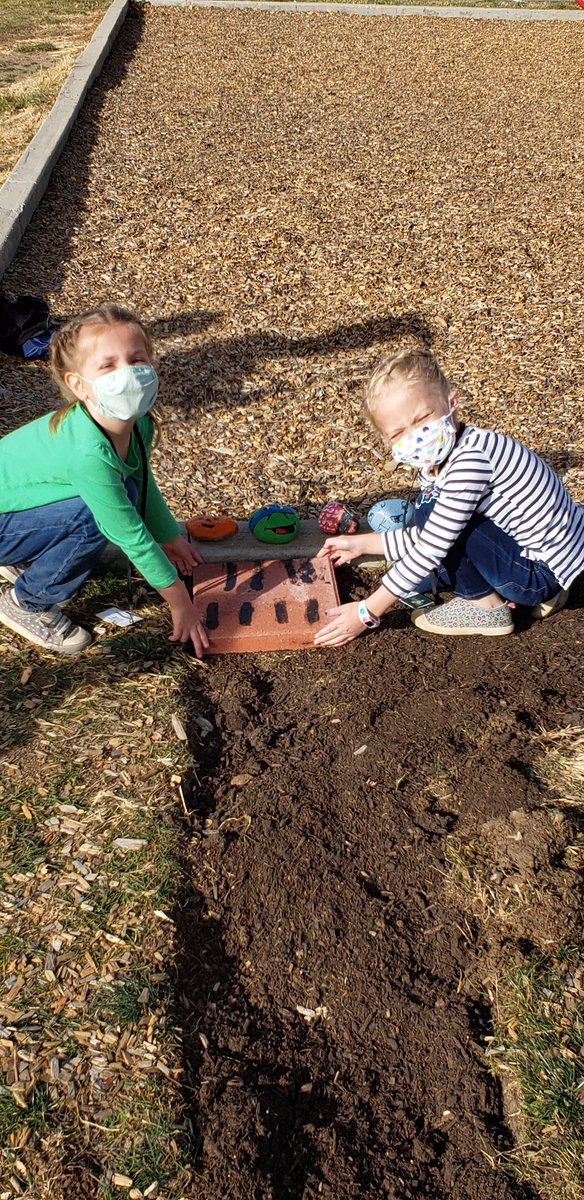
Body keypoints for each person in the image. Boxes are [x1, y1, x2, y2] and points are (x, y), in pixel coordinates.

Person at [315, 347, 584, 645]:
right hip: (556, 552)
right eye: (398, 433)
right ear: (385, 439)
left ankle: (487, 608)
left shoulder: (470, 462)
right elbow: (439, 532)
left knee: (428, 514)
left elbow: (433, 544)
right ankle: (548, 584)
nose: (414, 436)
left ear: (451, 402)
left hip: (538, 573)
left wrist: (367, 612)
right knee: (427, 539)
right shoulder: (450, 454)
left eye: (422, 418)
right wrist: (362, 543)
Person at [0, 303, 208, 657]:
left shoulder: (136, 422)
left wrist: (170, 536)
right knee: (95, 514)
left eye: (137, 359)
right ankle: (26, 602)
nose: (127, 373)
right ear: (78, 385)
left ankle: (27, 546)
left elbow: (142, 485)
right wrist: (179, 601)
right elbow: (127, 532)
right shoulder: (87, 454)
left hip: (14, 509)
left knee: (117, 495)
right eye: (108, 365)